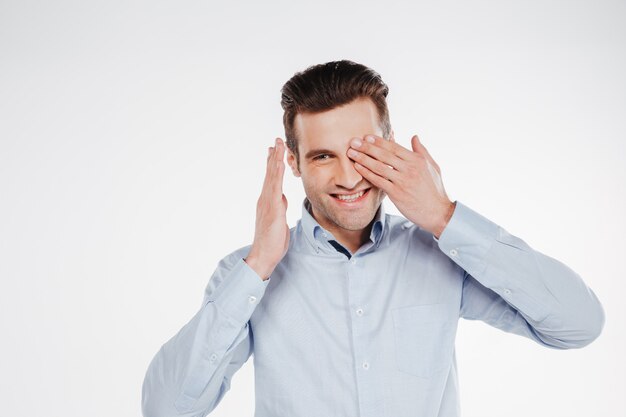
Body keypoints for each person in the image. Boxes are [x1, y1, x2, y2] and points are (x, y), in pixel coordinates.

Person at [141, 60, 605, 417]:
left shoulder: (441, 253)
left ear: (390, 143)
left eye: (360, 151)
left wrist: (444, 217)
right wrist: (260, 263)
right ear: (295, 164)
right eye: (323, 156)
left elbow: (578, 324)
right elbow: (166, 407)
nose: (347, 178)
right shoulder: (246, 275)